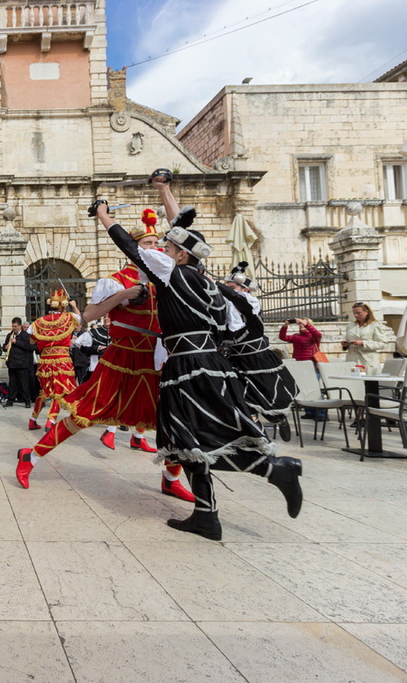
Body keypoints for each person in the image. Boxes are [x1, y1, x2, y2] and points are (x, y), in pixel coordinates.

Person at [76, 173, 303, 542]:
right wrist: (165, 192)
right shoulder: (214, 285)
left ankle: (277, 471)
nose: (160, 251)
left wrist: (103, 214)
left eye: (167, 248)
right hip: (211, 365)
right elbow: (238, 327)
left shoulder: (172, 273)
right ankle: (206, 516)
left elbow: (130, 249)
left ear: (181, 255)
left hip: (189, 369)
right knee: (188, 441)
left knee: (202, 438)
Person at [17, 207, 194, 504]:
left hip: (156, 360)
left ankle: (171, 479)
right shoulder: (116, 281)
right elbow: (88, 315)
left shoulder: (166, 277)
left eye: (157, 244)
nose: (156, 249)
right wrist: (125, 296)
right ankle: (30, 456)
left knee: (173, 418)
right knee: (84, 416)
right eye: (148, 245)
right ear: (134, 249)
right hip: (121, 359)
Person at [217, 263, 297, 442]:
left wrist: (217, 284)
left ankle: (279, 418)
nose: (227, 291)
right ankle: (258, 436)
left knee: (268, 396)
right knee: (242, 398)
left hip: (258, 360)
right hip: (236, 360)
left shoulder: (250, 302)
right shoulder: (224, 307)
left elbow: (236, 299)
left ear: (244, 289)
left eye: (232, 287)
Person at [28, 289, 82, 431]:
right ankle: (50, 420)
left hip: (45, 360)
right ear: (63, 305)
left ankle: (33, 419)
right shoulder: (69, 317)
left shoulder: (39, 322)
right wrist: (74, 306)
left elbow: (32, 341)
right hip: (62, 359)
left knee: (45, 391)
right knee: (59, 390)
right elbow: (79, 323)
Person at [279, 317, 324, 418]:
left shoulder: (313, 337)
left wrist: (307, 324)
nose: (301, 326)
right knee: (305, 388)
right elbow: (283, 337)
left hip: (311, 365)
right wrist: (285, 326)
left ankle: (321, 413)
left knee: (315, 389)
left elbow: (318, 334)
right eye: (300, 324)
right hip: (299, 365)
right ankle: (309, 412)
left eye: (303, 324)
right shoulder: (296, 336)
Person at [342, 302, 390, 372]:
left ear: (366, 312)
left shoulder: (375, 326)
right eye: (354, 313)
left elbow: (383, 344)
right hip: (352, 361)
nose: (356, 315)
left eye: (358, 313)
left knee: (368, 382)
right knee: (353, 382)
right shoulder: (350, 326)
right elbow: (347, 339)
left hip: (368, 362)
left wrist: (363, 343)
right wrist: (345, 345)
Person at [3, 317, 35, 408]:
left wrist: (16, 342)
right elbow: (5, 346)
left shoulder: (26, 335)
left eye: (15, 326)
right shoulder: (10, 335)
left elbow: (29, 347)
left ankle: (27, 401)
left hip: (22, 363)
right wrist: (5, 347)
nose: (14, 328)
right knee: (12, 383)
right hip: (12, 363)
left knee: (24, 384)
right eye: (13, 326)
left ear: (20, 326)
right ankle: (10, 400)